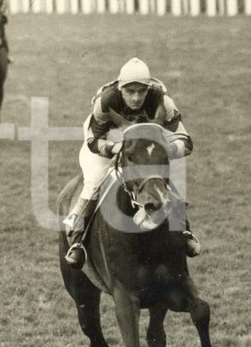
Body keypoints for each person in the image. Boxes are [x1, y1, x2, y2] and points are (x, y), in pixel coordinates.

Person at [62, 57, 201, 269]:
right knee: (96, 179)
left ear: (149, 89)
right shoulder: (106, 101)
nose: (136, 98)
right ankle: (78, 241)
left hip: (143, 142)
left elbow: (186, 141)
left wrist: (168, 149)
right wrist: (115, 149)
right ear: (120, 88)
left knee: (157, 178)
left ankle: (184, 230)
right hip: (108, 138)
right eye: (130, 91)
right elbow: (93, 140)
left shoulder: (163, 102)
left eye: (141, 92)